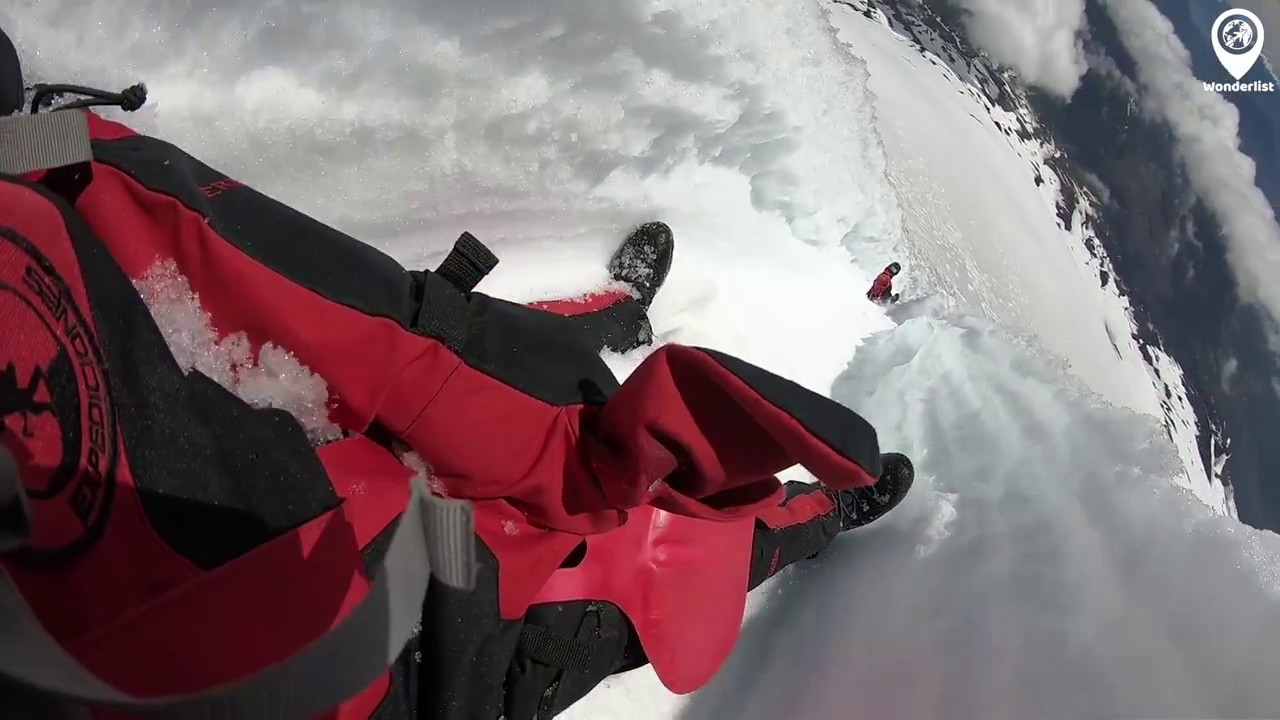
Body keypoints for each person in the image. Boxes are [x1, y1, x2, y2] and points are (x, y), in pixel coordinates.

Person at [0, 41, 914, 720]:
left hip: (358, 562)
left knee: (508, 399)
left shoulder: (35, 198)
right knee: (646, 573)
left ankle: (611, 326)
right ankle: (821, 511)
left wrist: (42, 141)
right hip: (413, 647)